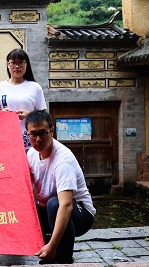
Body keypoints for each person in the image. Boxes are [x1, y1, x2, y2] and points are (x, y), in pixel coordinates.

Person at [25, 110, 95, 265]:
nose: (38, 139)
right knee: (29, 206)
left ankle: (62, 257)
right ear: (27, 134)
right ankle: (46, 248)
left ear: (52, 131)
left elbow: (66, 205)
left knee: (54, 203)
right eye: (33, 134)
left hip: (80, 214)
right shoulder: (31, 154)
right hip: (49, 208)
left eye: (43, 133)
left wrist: (53, 246)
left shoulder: (63, 160)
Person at [0, 48, 46, 151]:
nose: (17, 66)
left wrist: (29, 115)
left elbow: (44, 116)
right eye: (13, 63)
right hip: (5, 139)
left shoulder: (35, 87)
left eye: (21, 63)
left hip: (30, 141)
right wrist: (2, 114)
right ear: (7, 64)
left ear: (26, 65)